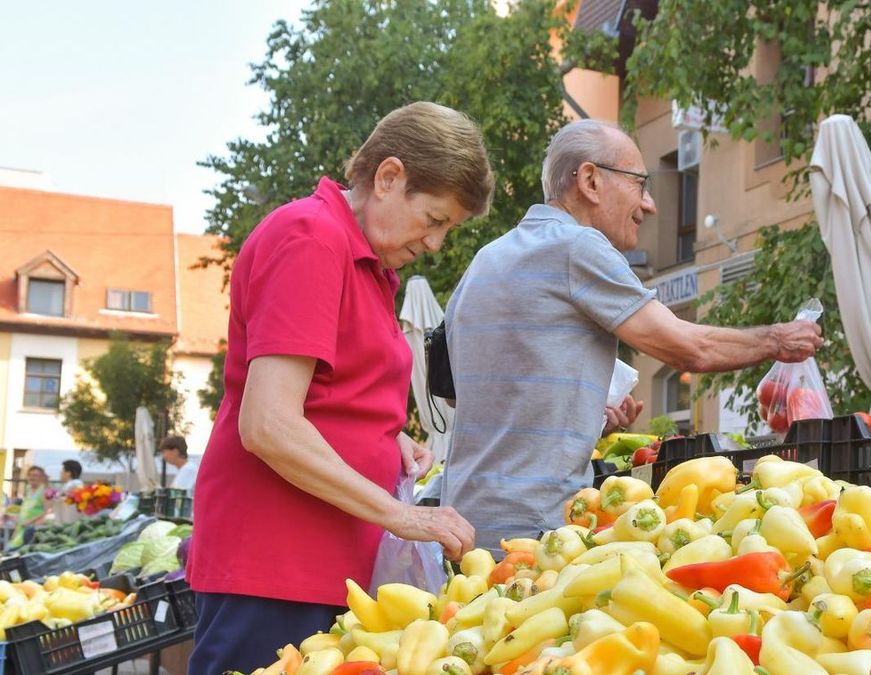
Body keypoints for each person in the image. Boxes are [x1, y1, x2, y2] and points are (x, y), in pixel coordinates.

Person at [187, 102, 492, 673]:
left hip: (321, 565)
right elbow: (268, 423)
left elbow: (327, 394)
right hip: (275, 568)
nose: (435, 243)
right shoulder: (311, 237)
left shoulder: (367, 264)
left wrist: (386, 436)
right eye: (433, 219)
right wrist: (403, 517)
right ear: (389, 177)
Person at [442, 119, 824, 554]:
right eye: (639, 184)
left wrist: (587, 415)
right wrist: (778, 339)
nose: (650, 205)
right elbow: (687, 348)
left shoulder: (487, 260)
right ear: (589, 180)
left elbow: (469, 396)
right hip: (536, 530)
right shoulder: (577, 246)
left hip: (465, 524)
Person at [10, 466, 49, 548]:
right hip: (21, 527)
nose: (32, 477)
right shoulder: (29, 489)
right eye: (30, 475)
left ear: (41, 477)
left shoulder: (45, 491)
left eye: (35, 475)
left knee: (14, 550)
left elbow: (46, 512)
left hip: (32, 529)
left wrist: (29, 522)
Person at [52, 460, 85, 525]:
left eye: (62, 470)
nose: (60, 472)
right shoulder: (70, 484)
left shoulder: (75, 483)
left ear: (68, 473)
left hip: (70, 522)